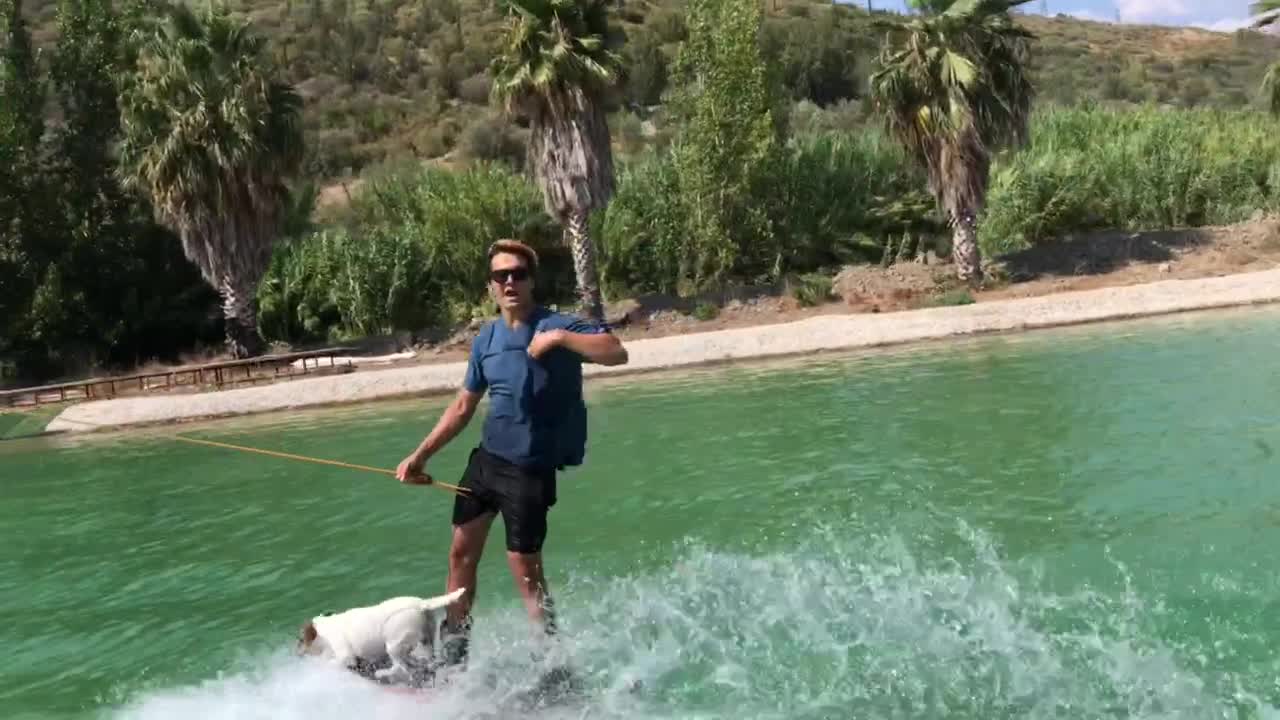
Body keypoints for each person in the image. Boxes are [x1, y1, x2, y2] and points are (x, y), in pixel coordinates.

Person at [395, 238, 628, 671]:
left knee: (525, 572)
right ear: (490, 287)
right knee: (460, 555)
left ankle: (554, 663)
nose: (509, 282)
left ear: (531, 280)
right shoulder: (486, 340)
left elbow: (617, 352)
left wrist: (559, 339)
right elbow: (463, 406)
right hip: (486, 463)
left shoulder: (558, 325)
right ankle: (455, 655)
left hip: (530, 470)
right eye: (500, 276)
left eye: (517, 274)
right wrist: (420, 455)